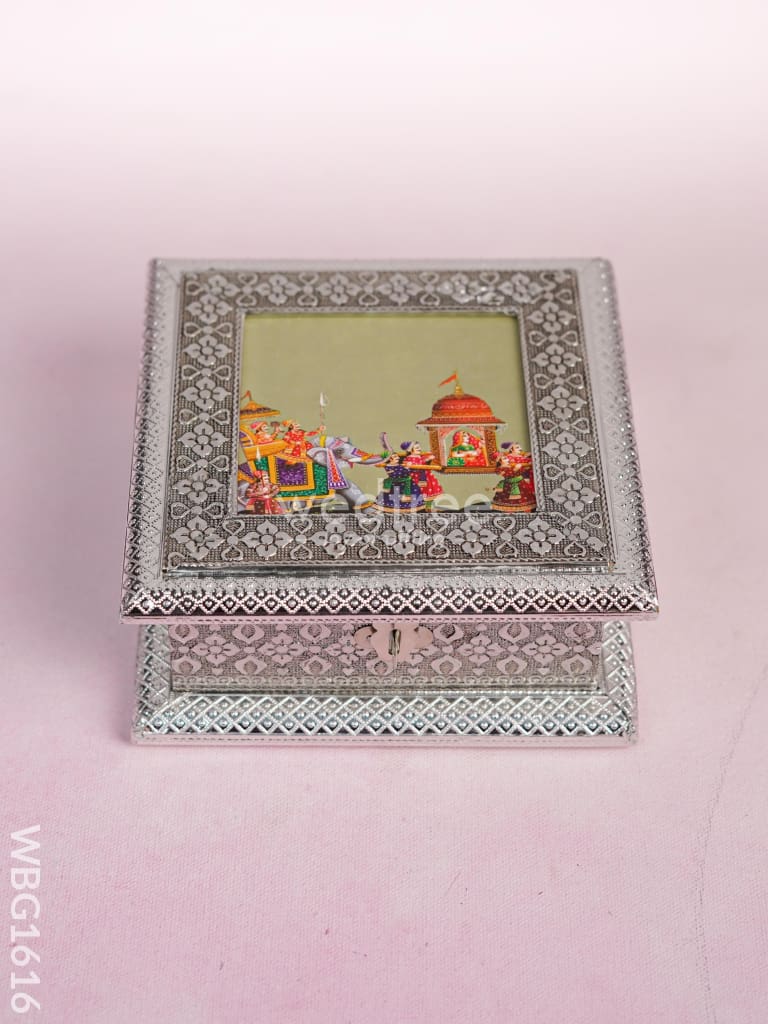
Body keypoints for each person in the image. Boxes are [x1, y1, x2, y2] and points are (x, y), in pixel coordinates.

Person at [491, 442, 536, 512]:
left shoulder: (520, 458)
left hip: (521, 482)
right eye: (517, 447)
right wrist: (515, 469)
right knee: (507, 502)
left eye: (519, 447)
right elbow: (502, 472)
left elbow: (529, 462)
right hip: (508, 484)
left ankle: (528, 513)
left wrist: (529, 460)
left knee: (526, 500)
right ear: (511, 449)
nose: (520, 449)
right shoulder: (506, 461)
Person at [401, 441, 443, 505]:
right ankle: (418, 505)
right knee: (419, 493)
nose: (419, 449)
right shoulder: (409, 458)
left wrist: (428, 458)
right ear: (410, 450)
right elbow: (408, 465)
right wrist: (408, 464)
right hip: (416, 478)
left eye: (419, 447)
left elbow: (424, 459)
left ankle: (429, 506)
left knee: (429, 494)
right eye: (417, 448)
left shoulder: (420, 456)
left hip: (426, 477)